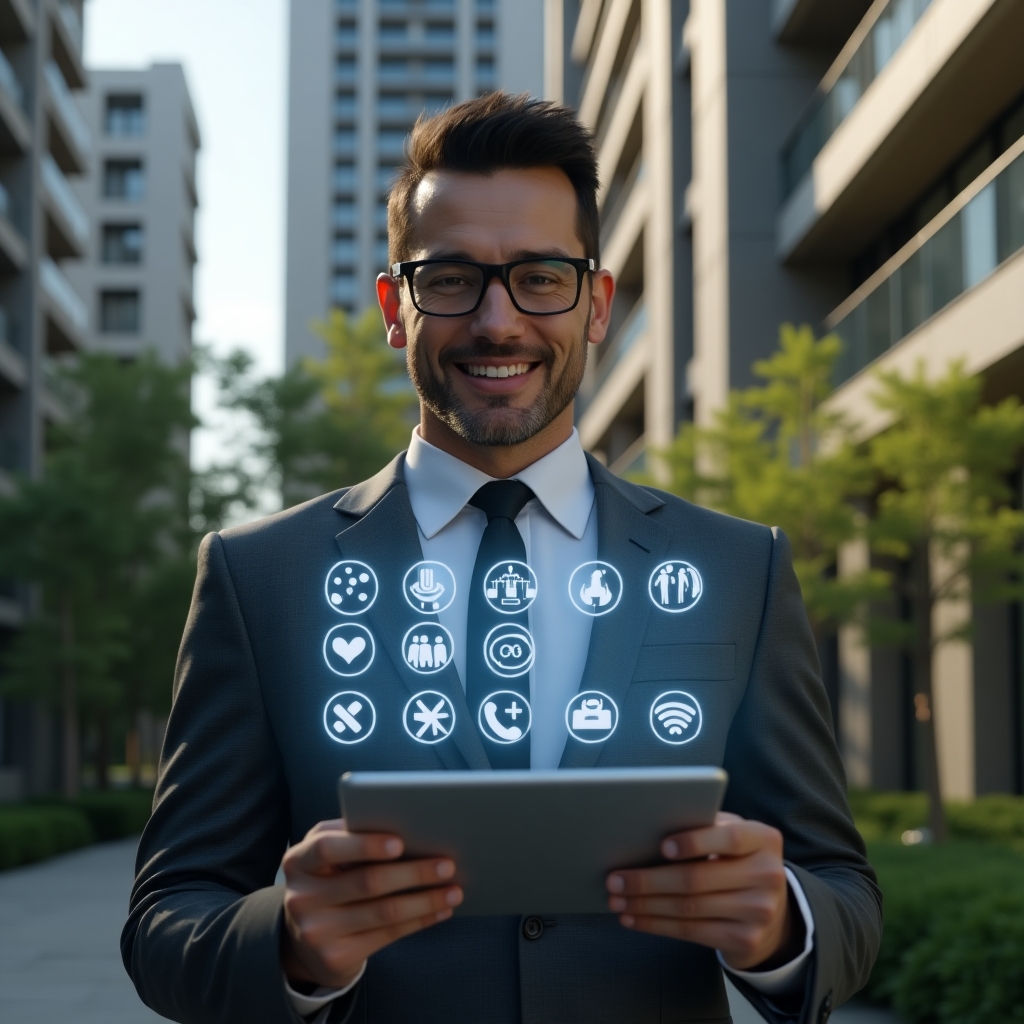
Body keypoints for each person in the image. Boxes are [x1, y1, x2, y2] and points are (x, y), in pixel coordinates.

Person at [123, 93, 880, 1024]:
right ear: (396, 310)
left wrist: (782, 928)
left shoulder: (739, 570)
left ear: (596, 303)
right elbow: (167, 917)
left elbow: (842, 891)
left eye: (540, 277)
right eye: (449, 279)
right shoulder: (257, 578)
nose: (498, 320)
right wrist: (289, 942)